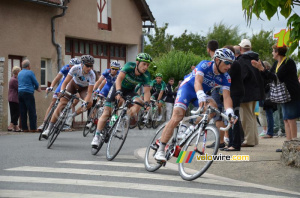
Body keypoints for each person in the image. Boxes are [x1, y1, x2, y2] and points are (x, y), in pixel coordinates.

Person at [154, 48, 236, 161]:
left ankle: (190, 130)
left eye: (231, 63)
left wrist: (230, 112)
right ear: (217, 60)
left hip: (201, 93)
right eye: (227, 62)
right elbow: (197, 81)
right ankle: (160, 149)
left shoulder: (226, 77)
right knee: (178, 115)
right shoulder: (205, 65)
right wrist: (201, 94)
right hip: (188, 89)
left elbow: (226, 97)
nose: (229, 66)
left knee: (213, 107)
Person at [91, 53, 152, 147]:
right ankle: (97, 136)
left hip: (130, 91)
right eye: (144, 64)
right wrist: (118, 91)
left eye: (147, 65)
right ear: (137, 62)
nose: (145, 67)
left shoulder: (146, 75)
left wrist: (147, 103)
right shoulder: (129, 66)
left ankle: (123, 119)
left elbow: (147, 92)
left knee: (139, 102)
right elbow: (118, 79)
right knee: (107, 112)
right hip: (117, 87)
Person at [251, 44, 300, 152]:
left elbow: (277, 77)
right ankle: (288, 144)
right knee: (286, 118)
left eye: (273, 51)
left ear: (277, 52)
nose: (272, 53)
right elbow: (269, 77)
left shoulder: (288, 62)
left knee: (291, 119)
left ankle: (295, 144)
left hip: (291, 94)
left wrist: (262, 69)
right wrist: (260, 69)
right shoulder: (276, 63)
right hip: (284, 95)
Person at [42, 55, 96, 139]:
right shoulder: (75, 68)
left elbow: (89, 93)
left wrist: (85, 102)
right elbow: (65, 82)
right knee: (61, 104)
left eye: (91, 66)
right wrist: (62, 90)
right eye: (87, 65)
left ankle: (72, 115)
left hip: (84, 89)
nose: (89, 68)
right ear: (82, 64)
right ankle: (48, 129)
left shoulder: (92, 75)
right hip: (73, 85)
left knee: (89, 103)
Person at [38, 58, 81, 131]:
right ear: (69, 65)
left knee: (74, 100)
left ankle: (66, 121)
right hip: (63, 85)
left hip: (73, 86)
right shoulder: (65, 68)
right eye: (71, 66)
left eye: (74, 66)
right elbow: (57, 78)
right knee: (53, 103)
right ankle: (44, 123)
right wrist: (51, 86)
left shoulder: (80, 71)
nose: (72, 68)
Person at [237, 39, 264, 147]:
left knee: (246, 117)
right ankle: (254, 139)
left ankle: (249, 140)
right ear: (250, 48)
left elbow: (242, 77)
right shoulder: (257, 59)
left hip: (246, 93)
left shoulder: (242, 60)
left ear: (240, 49)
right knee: (252, 116)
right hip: (256, 92)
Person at [85, 61, 121, 129]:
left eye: (116, 69)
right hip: (107, 88)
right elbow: (99, 81)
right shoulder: (106, 72)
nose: (114, 70)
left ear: (118, 69)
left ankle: (114, 123)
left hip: (114, 89)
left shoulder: (119, 74)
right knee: (98, 102)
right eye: (113, 68)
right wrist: (95, 90)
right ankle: (91, 121)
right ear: (110, 68)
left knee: (115, 107)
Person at [18, 59, 41, 132]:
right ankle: (33, 128)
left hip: (20, 93)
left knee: (23, 111)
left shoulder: (19, 73)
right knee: (31, 111)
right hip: (28, 93)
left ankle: (24, 128)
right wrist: (37, 88)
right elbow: (35, 82)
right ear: (28, 66)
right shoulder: (30, 73)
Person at [8, 66, 22, 132]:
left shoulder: (14, 79)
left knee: (13, 113)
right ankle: (10, 125)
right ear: (17, 72)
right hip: (14, 98)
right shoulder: (14, 80)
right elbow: (18, 88)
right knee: (17, 112)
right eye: (19, 71)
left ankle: (16, 127)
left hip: (12, 98)